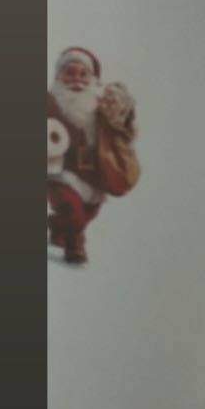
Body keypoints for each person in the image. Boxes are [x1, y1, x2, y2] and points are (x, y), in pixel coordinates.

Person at [46, 46, 140, 264]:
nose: (76, 79)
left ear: (92, 78)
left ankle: (58, 226)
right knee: (71, 209)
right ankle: (75, 245)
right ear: (59, 75)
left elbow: (119, 128)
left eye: (83, 74)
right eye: (70, 73)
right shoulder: (50, 101)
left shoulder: (101, 104)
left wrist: (123, 115)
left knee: (89, 212)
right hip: (58, 168)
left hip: (92, 170)